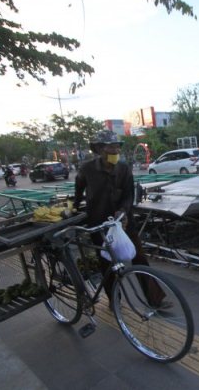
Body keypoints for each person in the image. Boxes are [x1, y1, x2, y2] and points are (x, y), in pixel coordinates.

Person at [74, 130, 165, 307]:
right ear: (100, 149)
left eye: (117, 147)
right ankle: (114, 298)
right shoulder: (87, 169)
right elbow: (78, 190)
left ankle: (155, 299)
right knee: (106, 262)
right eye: (111, 147)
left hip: (124, 221)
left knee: (139, 257)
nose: (115, 151)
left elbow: (129, 195)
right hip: (98, 223)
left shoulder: (123, 168)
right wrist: (75, 209)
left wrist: (123, 211)